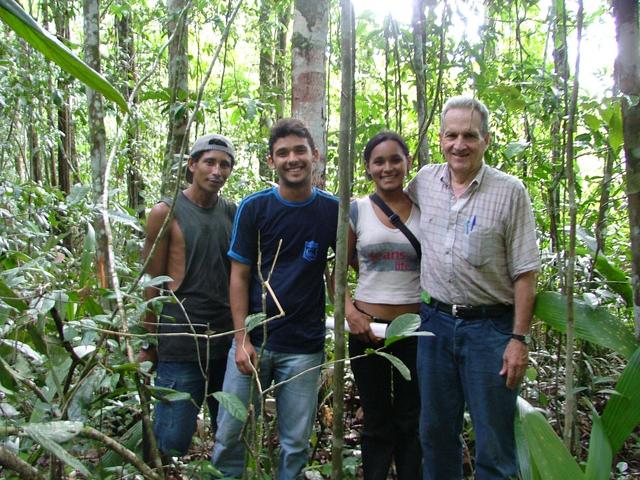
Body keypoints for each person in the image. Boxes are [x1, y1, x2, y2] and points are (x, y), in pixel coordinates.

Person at [406, 96, 539, 480]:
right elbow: (388, 214)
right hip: (434, 325)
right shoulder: (425, 182)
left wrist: (518, 339)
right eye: (451, 135)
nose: (459, 144)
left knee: (494, 442)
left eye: (469, 135)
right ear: (441, 137)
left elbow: (526, 272)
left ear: (486, 139)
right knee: (435, 433)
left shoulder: (510, 191)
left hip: (490, 331)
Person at [212, 118, 339, 479]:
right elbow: (238, 276)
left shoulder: (332, 210)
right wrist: (241, 339)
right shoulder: (255, 208)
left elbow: (345, 268)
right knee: (229, 435)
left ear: (315, 155)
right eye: (282, 153)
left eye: (300, 150)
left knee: (296, 442)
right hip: (255, 343)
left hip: (304, 346)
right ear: (271, 161)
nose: (292, 159)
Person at [140, 134, 237, 458]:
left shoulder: (232, 213)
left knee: (229, 434)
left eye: (224, 164)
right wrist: (147, 342)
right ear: (192, 165)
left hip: (224, 342)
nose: (217, 171)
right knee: (171, 438)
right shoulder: (165, 212)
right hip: (180, 341)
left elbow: (241, 276)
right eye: (209, 162)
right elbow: (153, 281)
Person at [345, 132, 422, 479]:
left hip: (417, 329)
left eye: (395, 159)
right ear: (368, 168)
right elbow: (334, 270)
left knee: (412, 417)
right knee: (375, 417)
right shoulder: (357, 209)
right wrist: (351, 313)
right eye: (379, 161)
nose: (387, 167)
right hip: (367, 330)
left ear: (407, 163)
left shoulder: (427, 208)